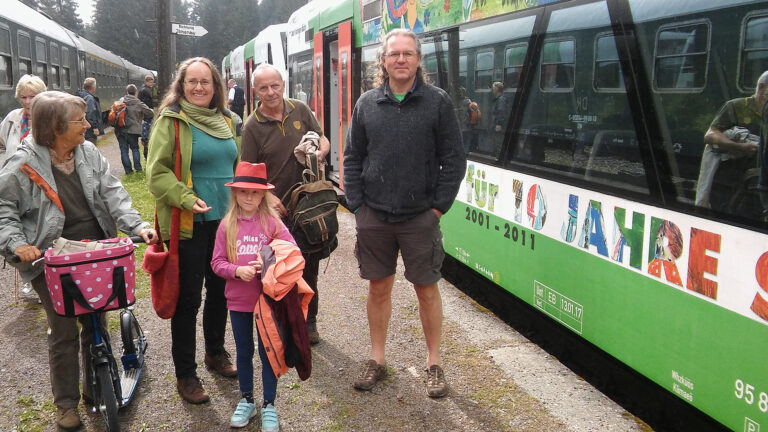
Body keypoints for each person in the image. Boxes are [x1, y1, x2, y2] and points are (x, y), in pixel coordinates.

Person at [0, 91, 157, 431]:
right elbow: (4, 209)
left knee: (94, 319)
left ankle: (94, 386)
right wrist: (16, 243)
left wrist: (137, 225)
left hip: (94, 250)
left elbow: (113, 192)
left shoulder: (87, 152)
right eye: (79, 121)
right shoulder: (22, 162)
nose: (89, 125)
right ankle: (66, 406)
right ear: (55, 127)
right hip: (50, 257)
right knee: (64, 328)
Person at [343, 29, 466, 398]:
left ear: (417, 60)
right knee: (379, 288)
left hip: (419, 218)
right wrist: (358, 207)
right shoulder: (366, 104)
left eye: (408, 54)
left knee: (426, 290)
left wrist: (436, 210)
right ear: (383, 60)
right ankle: (377, 360)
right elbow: (352, 158)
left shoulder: (438, 102)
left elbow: (454, 160)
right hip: (375, 216)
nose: (400, 59)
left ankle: (433, 364)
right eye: (394, 54)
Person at [147, 57, 242, 404]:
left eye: (206, 82)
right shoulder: (171, 122)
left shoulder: (229, 121)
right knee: (189, 299)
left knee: (222, 291)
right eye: (192, 82)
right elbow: (155, 174)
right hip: (188, 224)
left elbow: (237, 167)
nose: (199, 87)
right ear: (182, 86)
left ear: (216, 86)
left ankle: (216, 353)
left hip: (225, 222)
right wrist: (186, 198)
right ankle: (185, 374)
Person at [241, 63, 330, 345]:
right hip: (275, 209)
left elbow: (322, 138)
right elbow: (247, 170)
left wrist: (318, 150)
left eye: (275, 86)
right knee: (277, 266)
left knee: (309, 264)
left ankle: (309, 321)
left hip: (307, 201)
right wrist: (267, 196)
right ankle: (282, 321)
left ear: (283, 84)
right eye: (264, 88)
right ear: (255, 91)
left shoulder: (300, 109)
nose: (271, 92)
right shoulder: (252, 126)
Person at [211, 161, 296, 430]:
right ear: (235, 193)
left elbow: (292, 253)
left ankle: (269, 403)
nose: (249, 197)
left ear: (264, 195)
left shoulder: (272, 224)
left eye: (255, 192)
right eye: (243, 192)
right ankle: (247, 398)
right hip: (238, 302)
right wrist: (237, 271)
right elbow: (216, 263)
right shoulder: (226, 226)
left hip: (267, 302)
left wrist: (267, 263)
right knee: (244, 351)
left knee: (269, 352)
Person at [696, 71, 767, 213]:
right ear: (761, 87)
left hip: (755, 182)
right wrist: (740, 146)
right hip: (731, 178)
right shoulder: (736, 106)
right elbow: (710, 135)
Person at [0, 74, 47, 165]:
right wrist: (4, 164)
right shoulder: (12, 118)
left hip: (39, 178)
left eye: (32, 97)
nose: (27, 102)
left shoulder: (51, 120)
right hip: (13, 177)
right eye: (23, 97)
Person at [116, 84, 153, 174]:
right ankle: (138, 168)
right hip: (133, 130)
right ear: (136, 93)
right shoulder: (138, 103)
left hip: (121, 129)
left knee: (124, 150)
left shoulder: (121, 101)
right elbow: (150, 113)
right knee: (135, 149)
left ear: (127, 92)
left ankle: (128, 171)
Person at [76, 77, 103, 144]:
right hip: (89, 131)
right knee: (91, 148)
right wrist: (95, 127)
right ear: (93, 87)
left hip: (82, 128)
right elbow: (90, 113)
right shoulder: (90, 98)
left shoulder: (80, 95)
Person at [139, 74, 156, 159]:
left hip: (145, 113)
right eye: (151, 82)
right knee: (147, 130)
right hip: (147, 114)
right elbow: (148, 103)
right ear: (148, 81)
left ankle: (145, 144)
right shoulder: (146, 91)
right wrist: (151, 111)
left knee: (147, 129)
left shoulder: (142, 89)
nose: (152, 83)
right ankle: (146, 148)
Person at [490, 81, 509, 155]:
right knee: (498, 143)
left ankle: (500, 161)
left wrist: (499, 124)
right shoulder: (501, 99)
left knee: (499, 144)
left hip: (500, 126)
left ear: (497, 89)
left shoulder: (501, 100)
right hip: (499, 124)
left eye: (493, 88)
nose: (492, 90)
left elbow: (501, 112)